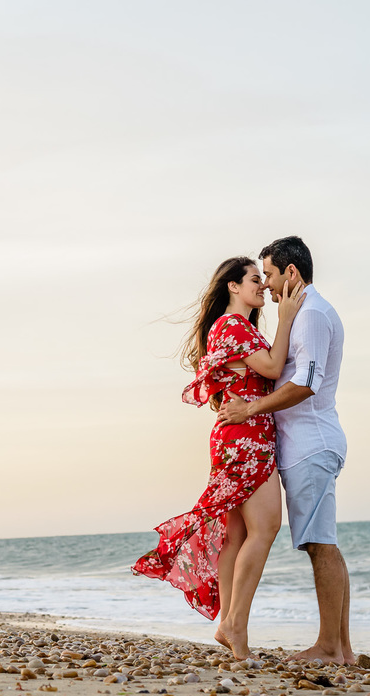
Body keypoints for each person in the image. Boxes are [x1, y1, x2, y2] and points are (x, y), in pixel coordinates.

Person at [134, 256, 304, 659]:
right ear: (232, 286)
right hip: (245, 438)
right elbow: (274, 366)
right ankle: (234, 624)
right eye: (253, 279)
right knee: (265, 528)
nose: (262, 285)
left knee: (238, 535)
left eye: (264, 280)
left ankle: (230, 624)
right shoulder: (232, 325)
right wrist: (286, 318)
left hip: (241, 435)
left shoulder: (232, 328)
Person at [216, 236, 352, 665]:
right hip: (302, 443)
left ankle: (330, 646)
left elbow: (304, 380)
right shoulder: (304, 313)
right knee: (321, 542)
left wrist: (252, 407)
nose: (269, 288)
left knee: (319, 544)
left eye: (270, 276)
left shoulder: (309, 314)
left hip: (309, 443)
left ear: (291, 273)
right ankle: (341, 648)